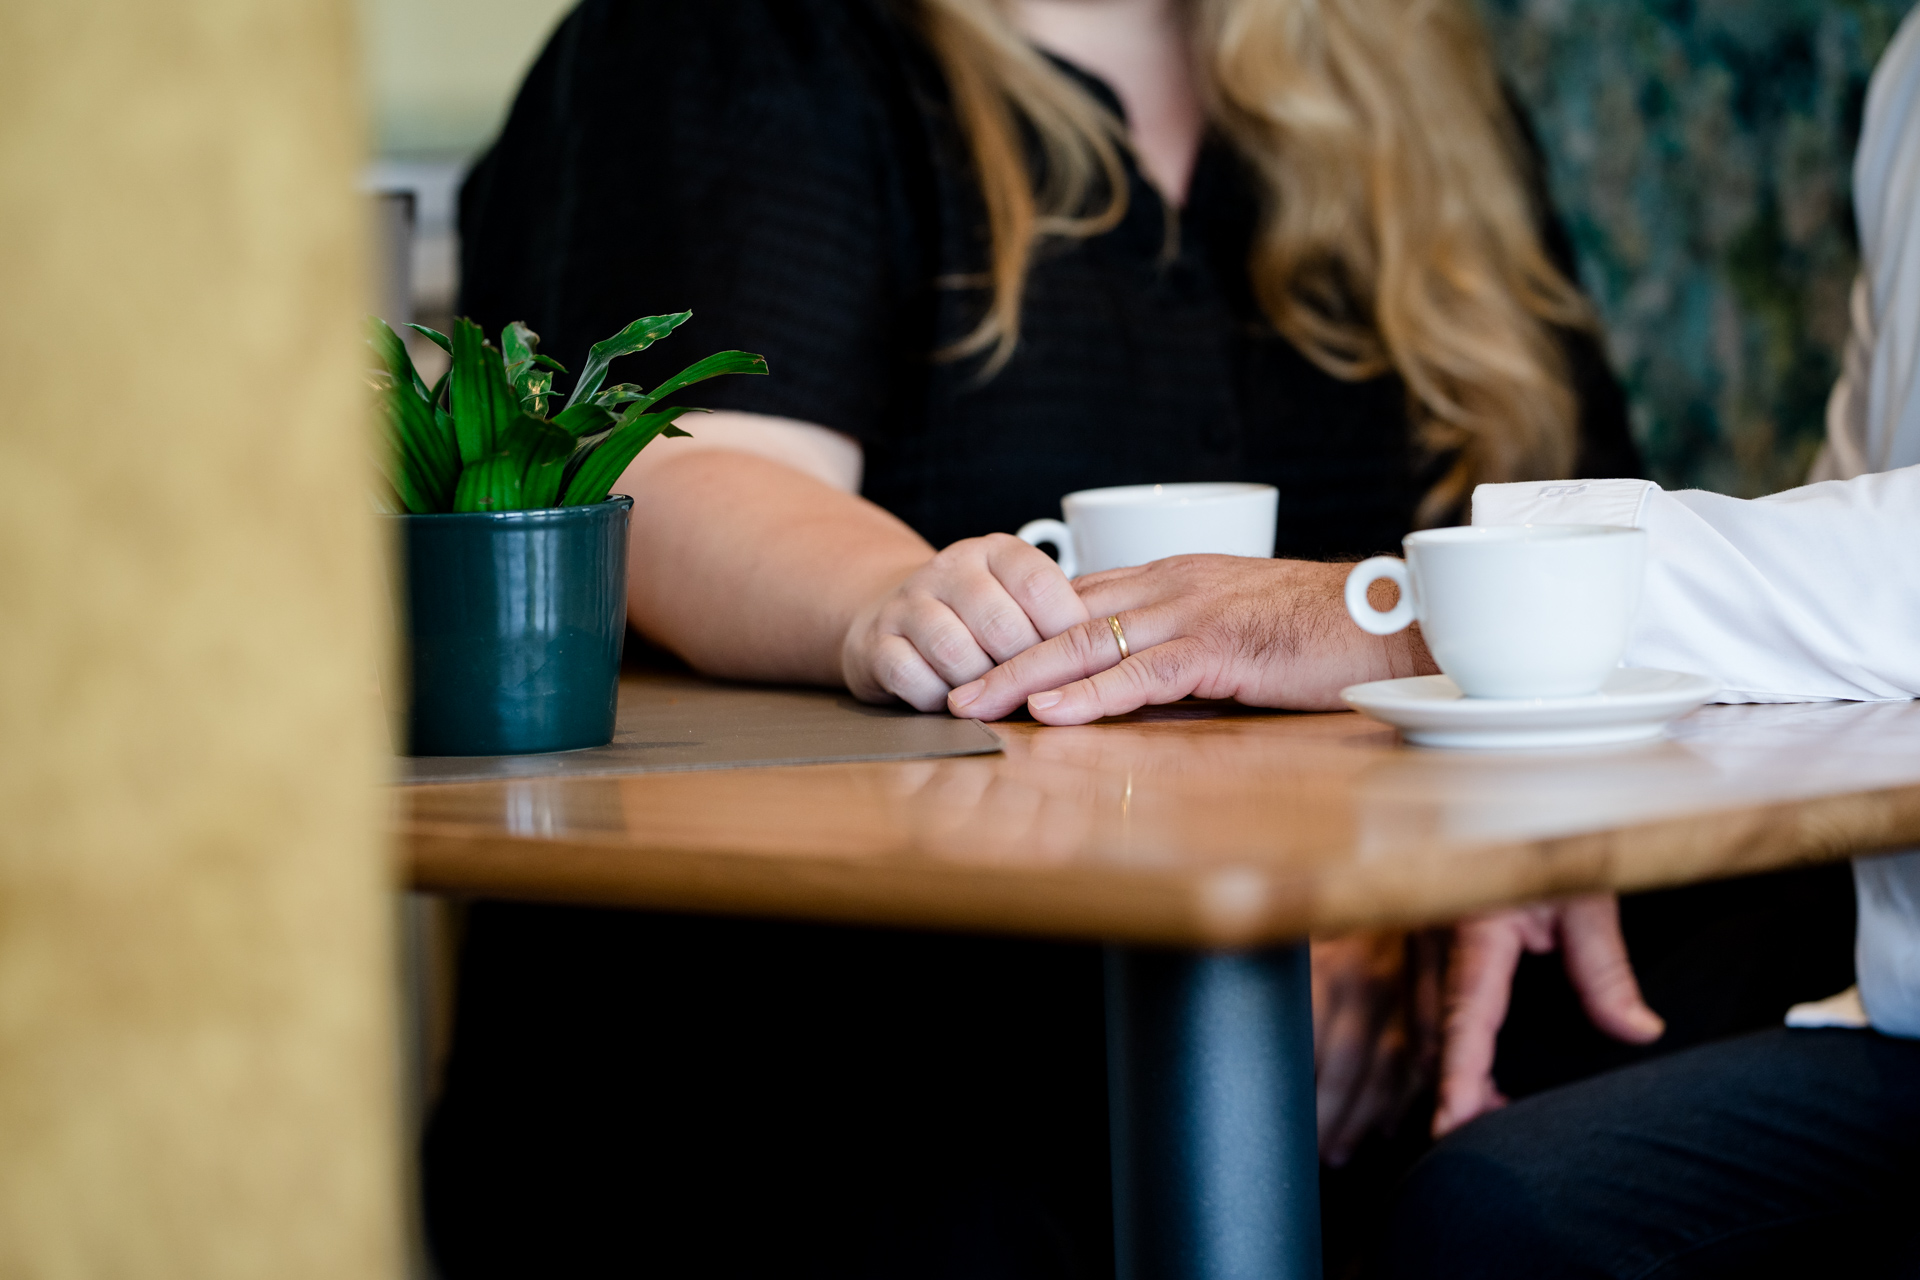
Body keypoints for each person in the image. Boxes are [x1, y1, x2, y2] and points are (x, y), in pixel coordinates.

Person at [427, 0, 1670, 1272]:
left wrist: (1386, 909)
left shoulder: (1405, 73)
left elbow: (1582, 569)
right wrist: (905, 601)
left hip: (1364, 1011)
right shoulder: (735, 46)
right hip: (852, 1035)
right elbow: (682, 481)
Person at [952, 10, 1920, 1273]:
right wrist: (1527, 777)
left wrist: (1409, 622)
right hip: (1885, 1005)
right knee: (1499, 1213)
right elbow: (1828, 613)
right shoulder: (1908, 79)